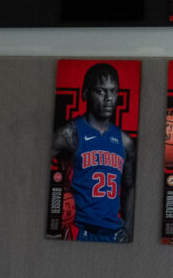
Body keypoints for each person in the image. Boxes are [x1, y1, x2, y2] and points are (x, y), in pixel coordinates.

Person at [51, 63, 136, 242]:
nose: (108, 98)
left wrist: (128, 227)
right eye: (101, 91)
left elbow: (129, 188)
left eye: (113, 92)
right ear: (85, 93)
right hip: (80, 231)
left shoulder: (125, 141)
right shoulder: (69, 134)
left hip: (114, 235)